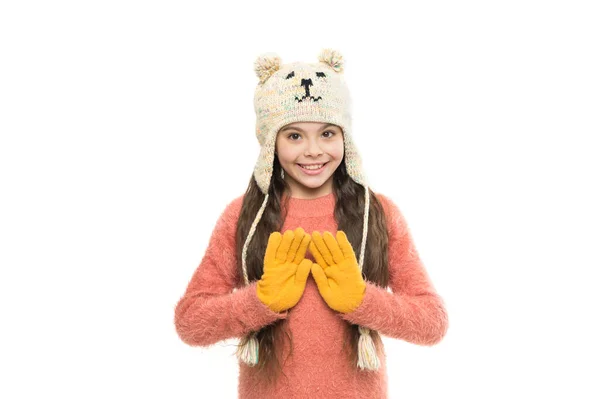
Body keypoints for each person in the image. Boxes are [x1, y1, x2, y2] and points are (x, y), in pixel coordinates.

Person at [173, 48, 448, 398]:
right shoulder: (243, 216)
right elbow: (190, 322)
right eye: (294, 136)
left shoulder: (376, 213)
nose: (314, 151)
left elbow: (433, 323)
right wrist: (260, 301)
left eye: (328, 134)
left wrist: (362, 300)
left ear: (345, 137)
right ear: (270, 142)